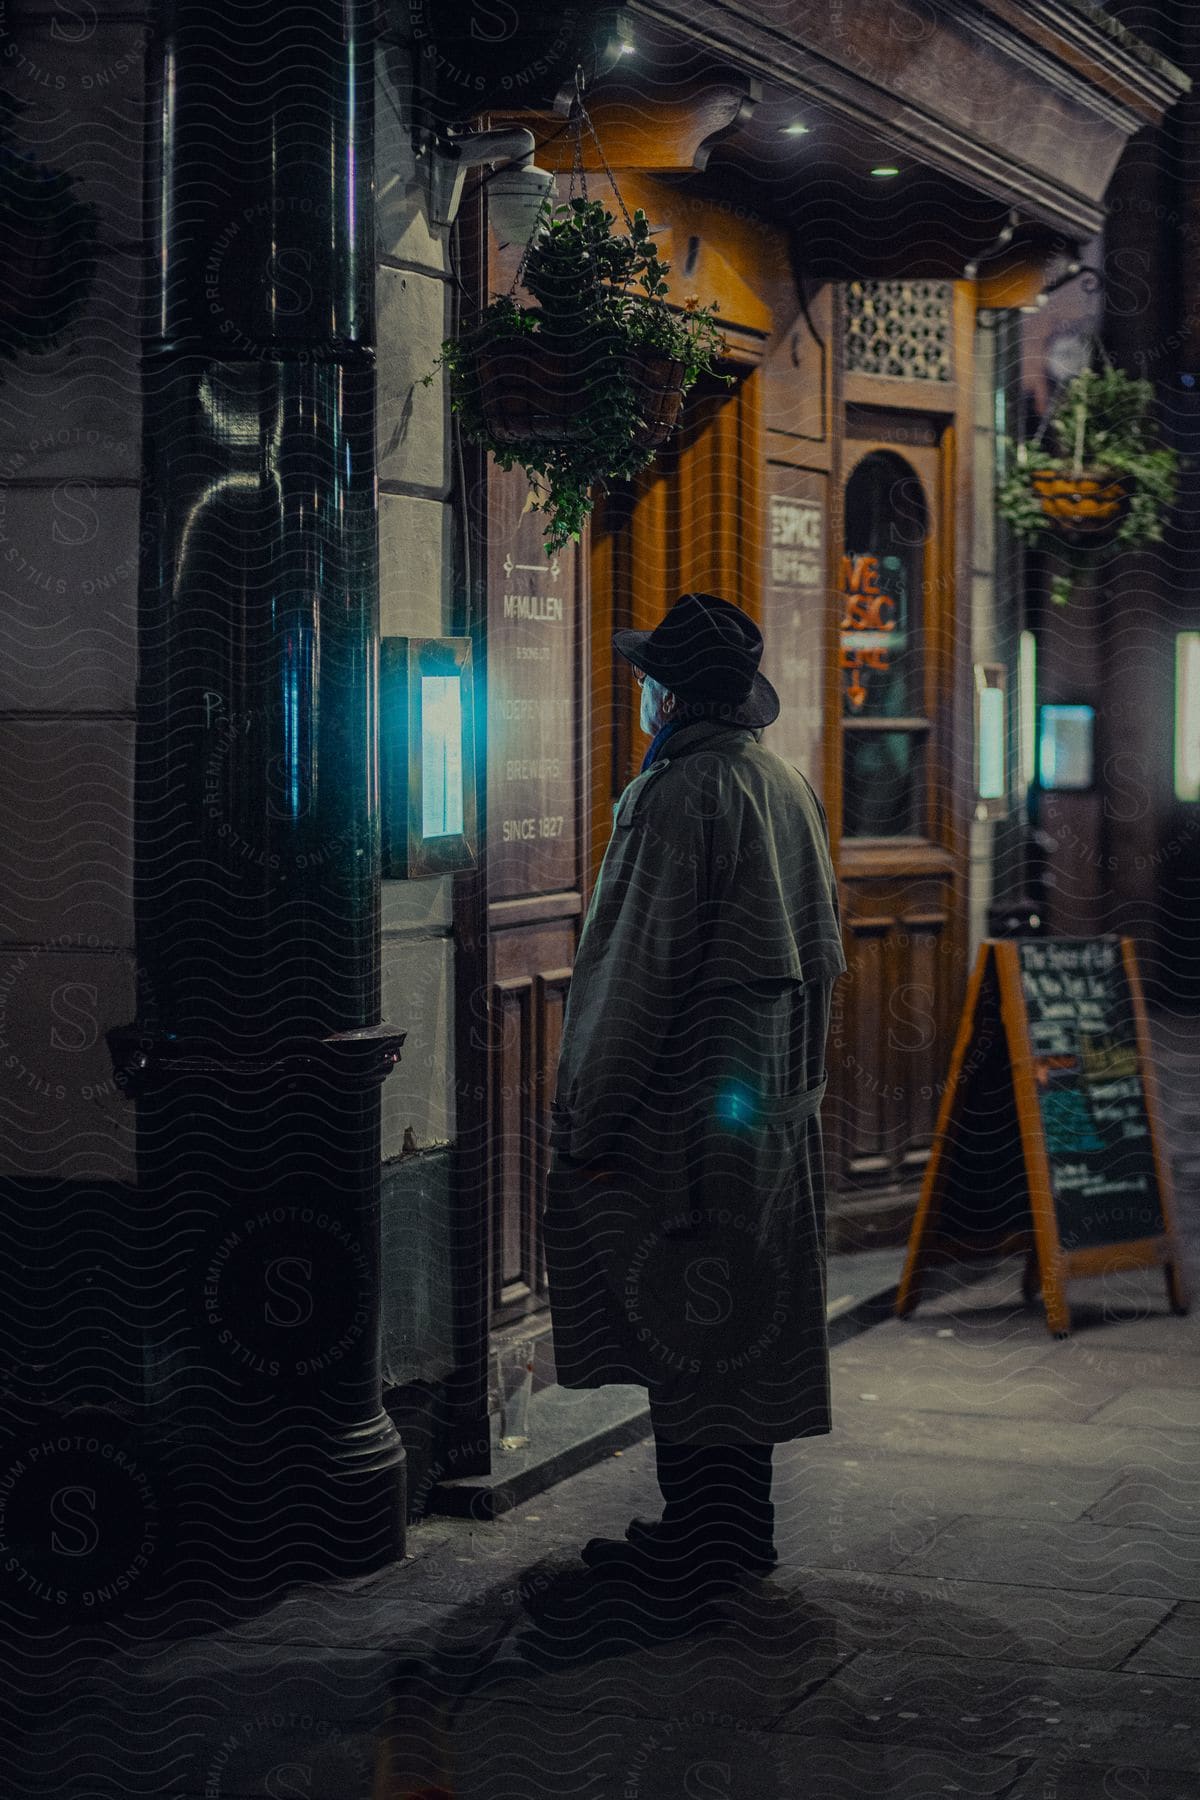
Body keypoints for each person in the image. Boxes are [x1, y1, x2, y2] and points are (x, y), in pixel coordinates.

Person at [543, 592, 847, 1600]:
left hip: (682, 1127)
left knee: (688, 1327)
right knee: (740, 1330)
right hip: (770, 1116)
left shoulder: (674, 797)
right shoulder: (784, 781)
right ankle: (733, 1533)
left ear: (667, 696)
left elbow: (630, 975)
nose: (641, 700)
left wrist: (587, 1117)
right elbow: (827, 961)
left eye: (645, 685)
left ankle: (702, 1543)